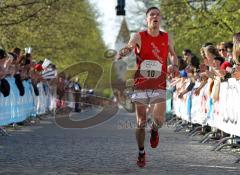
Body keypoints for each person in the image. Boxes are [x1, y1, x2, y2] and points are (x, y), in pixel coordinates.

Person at [117, 6, 178, 167]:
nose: (155, 16)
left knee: (159, 120)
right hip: (141, 85)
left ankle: (155, 131)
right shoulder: (139, 36)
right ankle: (141, 152)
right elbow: (130, 48)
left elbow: (173, 56)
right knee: (141, 122)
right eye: (152, 14)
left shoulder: (166, 37)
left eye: (158, 14)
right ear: (147, 19)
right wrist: (123, 52)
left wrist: (173, 65)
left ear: (160, 19)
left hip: (159, 84)